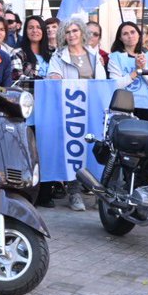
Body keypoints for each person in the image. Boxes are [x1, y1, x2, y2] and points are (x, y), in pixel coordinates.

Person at [46, 19, 106, 211]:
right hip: (70, 109)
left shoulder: (94, 55)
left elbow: (102, 81)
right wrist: (55, 77)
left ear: (82, 33)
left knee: (93, 149)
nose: (72, 35)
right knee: (72, 150)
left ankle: (98, 191)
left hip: (92, 109)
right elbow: (53, 76)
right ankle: (74, 192)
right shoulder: (58, 56)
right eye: (68, 32)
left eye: (75, 31)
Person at [108, 22, 148, 123]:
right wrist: (136, 71)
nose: (130, 36)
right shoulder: (115, 58)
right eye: (125, 34)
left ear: (139, 35)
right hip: (125, 108)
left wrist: (144, 69)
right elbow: (115, 85)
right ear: (120, 38)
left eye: (132, 32)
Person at [19, 16, 51, 81]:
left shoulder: (52, 54)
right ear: (25, 31)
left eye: (38, 27)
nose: (34, 30)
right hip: (29, 90)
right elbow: (17, 78)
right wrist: (41, 81)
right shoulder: (18, 54)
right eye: (31, 28)